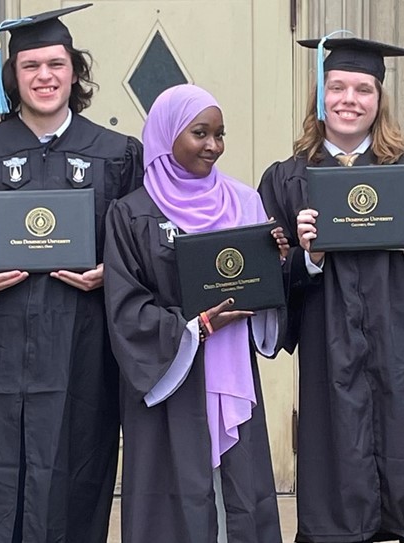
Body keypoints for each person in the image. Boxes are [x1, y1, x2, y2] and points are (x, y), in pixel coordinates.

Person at [256, 36, 404, 543]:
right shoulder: (287, 179)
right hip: (331, 351)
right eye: (337, 87)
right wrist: (305, 258)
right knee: (338, 486)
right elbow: (262, 267)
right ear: (320, 96)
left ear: (380, 100)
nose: (349, 99)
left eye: (363, 89)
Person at [0, 5, 143, 542]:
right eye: (30, 66)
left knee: (76, 470)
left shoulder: (117, 154)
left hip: (83, 343)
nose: (44, 76)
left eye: (56, 63)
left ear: (75, 71)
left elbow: (142, 245)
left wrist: (111, 274)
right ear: (13, 77)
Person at [103, 84, 287, 543]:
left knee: (242, 495)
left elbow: (263, 296)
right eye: (200, 133)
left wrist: (275, 265)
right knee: (174, 504)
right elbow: (126, 307)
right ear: (167, 137)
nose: (213, 146)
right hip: (170, 382)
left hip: (233, 377)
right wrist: (196, 327)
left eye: (220, 135)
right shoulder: (131, 214)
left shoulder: (245, 202)